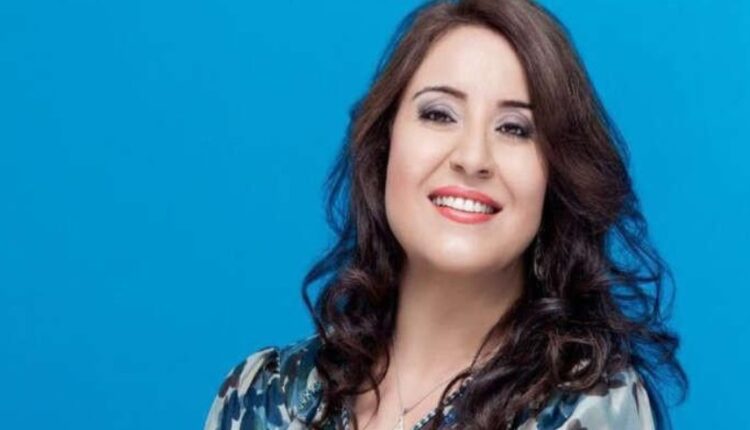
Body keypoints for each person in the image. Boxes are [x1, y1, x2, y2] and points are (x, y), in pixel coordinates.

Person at [203, 0, 688, 429]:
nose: (473, 157)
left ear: (555, 176)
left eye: (515, 128)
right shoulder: (261, 396)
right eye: (439, 114)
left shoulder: (590, 410)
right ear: (384, 147)